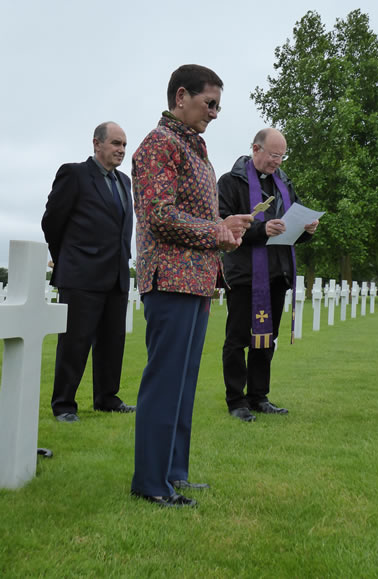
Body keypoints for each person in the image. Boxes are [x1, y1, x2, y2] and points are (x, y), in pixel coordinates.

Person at [131, 64, 253, 508]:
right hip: (170, 278)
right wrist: (214, 232)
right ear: (181, 96)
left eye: (219, 106)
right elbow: (159, 215)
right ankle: (150, 481)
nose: (216, 113)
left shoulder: (195, 148)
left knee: (183, 385)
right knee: (165, 382)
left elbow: (196, 218)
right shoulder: (157, 145)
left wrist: (224, 224)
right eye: (210, 103)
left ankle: (173, 473)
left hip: (197, 279)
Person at [218, 128, 319, 422]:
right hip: (244, 274)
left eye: (281, 156)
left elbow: (291, 229)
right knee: (238, 339)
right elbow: (223, 226)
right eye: (273, 155)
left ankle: (259, 395)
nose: (277, 162)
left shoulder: (284, 183)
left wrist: (306, 230)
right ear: (256, 148)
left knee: (265, 339)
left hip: (277, 272)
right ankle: (236, 400)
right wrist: (262, 230)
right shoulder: (229, 182)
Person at [42, 122, 136, 422]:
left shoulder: (124, 182)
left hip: (117, 275)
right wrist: (67, 258)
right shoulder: (75, 174)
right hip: (81, 276)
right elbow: (52, 222)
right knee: (74, 342)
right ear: (97, 144)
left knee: (112, 341)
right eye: (115, 143)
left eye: (124, 145)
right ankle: (64, 405)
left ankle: (107, 397)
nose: (121, 150)